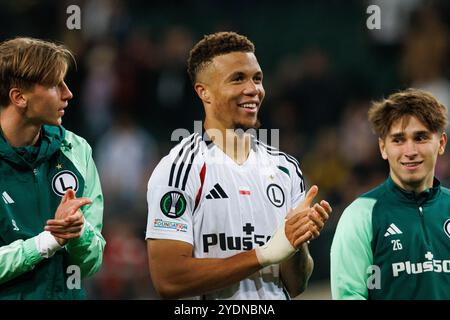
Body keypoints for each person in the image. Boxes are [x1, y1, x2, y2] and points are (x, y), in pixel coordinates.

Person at [146, 31, 332, 299]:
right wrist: (263, 255)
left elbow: (296, 284)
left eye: (257, 78)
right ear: (204, 92)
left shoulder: (286, 169)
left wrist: (295, 241)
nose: (253, 89)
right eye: (238, 79)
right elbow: (169, 279)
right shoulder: (178, 169)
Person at [0, 37, 105, 299]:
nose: (68, 93)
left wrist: (77, 232)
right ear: (19, 97)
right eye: (55, 85)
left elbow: (92, 263)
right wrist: (47, 241)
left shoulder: (76, 149)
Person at [330, 88, 450, 299]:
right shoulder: (360, 215)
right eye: (398, 140)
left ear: (441, 143)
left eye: (420, 138)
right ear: (383, 147)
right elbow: (349, 295)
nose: (410, 151)